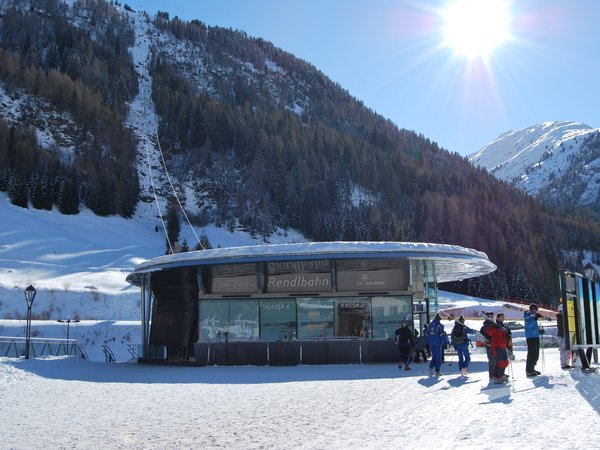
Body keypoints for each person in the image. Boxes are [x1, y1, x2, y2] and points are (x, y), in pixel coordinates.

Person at [487, 313, 510, 383]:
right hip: (497, 347)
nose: (503, 318)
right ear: (498, 318)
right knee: (499, 362)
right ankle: (497, 377)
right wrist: (497, 328)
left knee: (505, 362)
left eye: (503, 317)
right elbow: (489, 333)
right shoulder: (494, 325)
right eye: (502, 317)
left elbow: (507, 333)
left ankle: (501, 375)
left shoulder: (503, 326)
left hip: (503, 347)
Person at [524, 303, 543, 377]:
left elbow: (534, 326)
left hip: (535, 336)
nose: (535, 311)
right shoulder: (527, 315)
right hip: (530, 337)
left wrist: (540, 331)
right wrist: (535, 318)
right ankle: (529, 370)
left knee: (536, 354)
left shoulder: (533, 316)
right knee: (531, 354)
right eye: (534, 309)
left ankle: (532, 368)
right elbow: (528, 325)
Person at [479, 312, 496, 380]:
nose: (492, 317)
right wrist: (487, 341)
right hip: (489, 344)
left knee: (495, 359)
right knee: (492, 360)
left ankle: (495, 373)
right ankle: (492, 375)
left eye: (493, 315)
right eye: (491, 316)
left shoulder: (492, 323)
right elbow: (483, 335)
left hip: (494, 344)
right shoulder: (487, 324)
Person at [556, 304, 573, 369]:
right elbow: (562, 326)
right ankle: (564, 364)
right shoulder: (560, 317)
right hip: (562, 335)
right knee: (564, 349)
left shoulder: (561, 317)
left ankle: (566, 363)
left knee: (566, 349)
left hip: (564, 334)